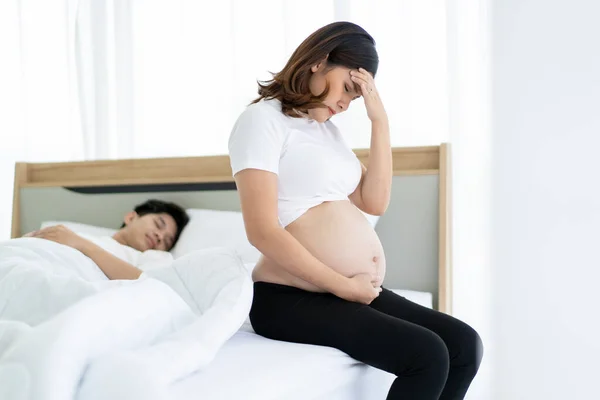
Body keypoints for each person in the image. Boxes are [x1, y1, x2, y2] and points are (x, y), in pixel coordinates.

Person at [228, 21, 483, 399]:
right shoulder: (263, 120)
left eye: (356, 97)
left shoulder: (324, 130)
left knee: (464, 345)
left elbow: (373, 200)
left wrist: (379, 120)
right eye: (348, 88)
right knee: (427, 355)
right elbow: (262, 231)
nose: (346, 103)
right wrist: (345, 286)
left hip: (343, 290)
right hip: (287, 296)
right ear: (319, 61)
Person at [23, 199, 189, 280]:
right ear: (131, 217)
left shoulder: (152, 257)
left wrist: (81, 245)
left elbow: (147, 283)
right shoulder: (78, 236)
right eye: (158, 224)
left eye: (167, 241)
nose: (160, 237)